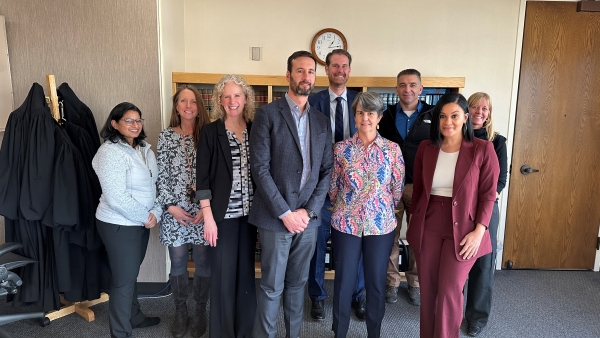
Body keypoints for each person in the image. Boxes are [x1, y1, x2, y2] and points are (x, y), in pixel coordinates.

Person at [249, 50, 333, 338]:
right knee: (272, 286)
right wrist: (285, 213)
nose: (306, 76)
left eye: (311, 71)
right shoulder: (267, 114)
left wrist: (307, 212)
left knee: (298, 285)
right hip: (275, 219)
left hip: (307, 221)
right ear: (289, 75)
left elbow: (326, 172)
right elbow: (259, 169)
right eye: (300, 71)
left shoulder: (322, 121)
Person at [406, 93, 499, 338]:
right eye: (443, 116)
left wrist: (480, 231)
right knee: (428, 291)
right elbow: (418, 190)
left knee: (449, 290)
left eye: (455, 116)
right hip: (429, 221)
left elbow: (489, 195)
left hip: (465, 227)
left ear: (466, 118)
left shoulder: (483, 149)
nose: (448, 121)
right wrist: (414, 222)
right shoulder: (427, 147)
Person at [329, 92, 405, 338]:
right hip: (346, 224)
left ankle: (375, 333)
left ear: (379, 117)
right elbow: (332, 188)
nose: (365, 118)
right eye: (360, 112)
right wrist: (349, 206)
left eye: (371, 113)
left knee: (375, 283)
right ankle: (339, 333)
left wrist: (376, 206)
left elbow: (397, 190)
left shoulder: (392, 150)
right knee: (343, 283)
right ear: (355, 116)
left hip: (380, 226)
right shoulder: (340, 150)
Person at [92, 102, 162, 338]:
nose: (135, 125)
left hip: (141, 222)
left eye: (138, 120)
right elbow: (115, 197)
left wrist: (156, 213)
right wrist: (146, 216)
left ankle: (134, 317)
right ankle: (120, 332)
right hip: (118, 224)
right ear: (115, 124)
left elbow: (154, 186)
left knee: (130, 274)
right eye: (129, 120)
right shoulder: (110, 152)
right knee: (123, 279)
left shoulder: (145, 149)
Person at [307, 49, 366, 321]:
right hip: (320, 188)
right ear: (327, 70)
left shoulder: (361, 102)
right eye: (334, 66)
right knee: (316, 245)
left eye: (344, 66)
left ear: (349, 70)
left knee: (354, 247)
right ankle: (317, 298)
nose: (340, 70)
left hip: (354, 191)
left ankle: (358, 296)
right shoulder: (313, 102)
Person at [196, 74, 257, 338]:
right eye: (227, 96)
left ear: (246, 99)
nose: (233, 101)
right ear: (220, 101)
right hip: (222, 217)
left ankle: (244, 332)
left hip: (252, 216)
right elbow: (202, 179)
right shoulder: (211, 132)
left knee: (246, 278)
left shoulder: (256, 128)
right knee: (223, 280)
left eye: (237, 95)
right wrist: (208, 217)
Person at [156, 85, 211, 338]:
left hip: (202, 210)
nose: (188, 105)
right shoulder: (165, 137)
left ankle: (200, 311)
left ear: (199, 107)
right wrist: (170, 207)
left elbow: (215, 175)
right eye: (182, 101)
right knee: (178, 261)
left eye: (193, 101)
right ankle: (180, 311)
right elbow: (161, 176)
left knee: (202, 261)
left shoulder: (209, 135)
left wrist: (206, 209)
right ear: (176, 106)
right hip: (174, 210)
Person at [378, 68, 434, 306]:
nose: (407, 89)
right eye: (402, 85)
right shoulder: (386, 114)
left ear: (420, 89)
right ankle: (391, 282)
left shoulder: (435, 115)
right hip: (390, 187)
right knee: (389, 238)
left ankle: (416, 283)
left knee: (418, 237)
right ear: (397, 89)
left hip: (420, 187)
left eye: (412, 85)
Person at [464, 92, 507, 337]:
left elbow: (500, 180)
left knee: (483, 264)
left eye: (485, 108)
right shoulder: (456, 137)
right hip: (458, 208)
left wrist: (482, 201)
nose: (479, 112)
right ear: (466, 109)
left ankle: (477, 318)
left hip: (486, 208)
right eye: (475, 107)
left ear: (489, 113)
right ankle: (451, 309)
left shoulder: (497, 141)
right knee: (457, 260)